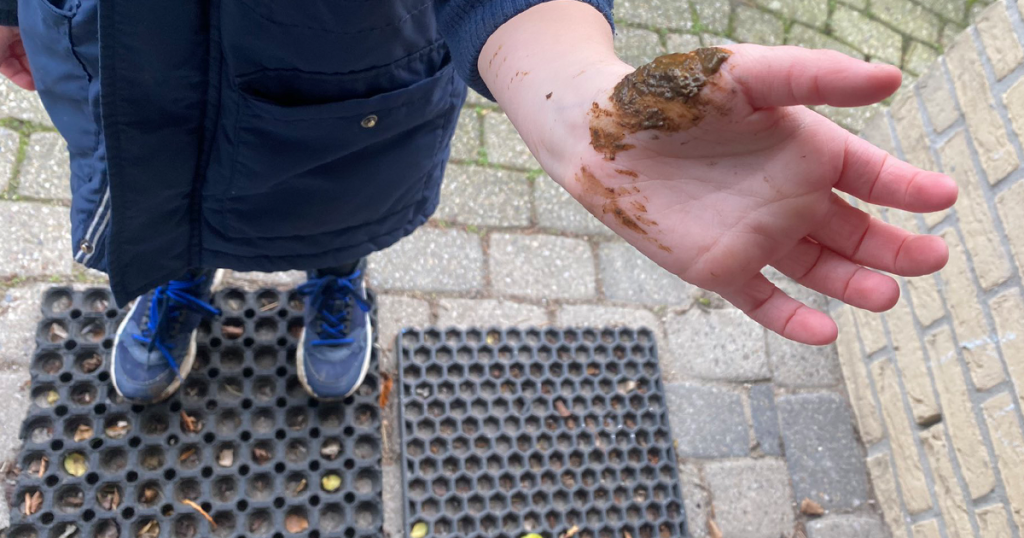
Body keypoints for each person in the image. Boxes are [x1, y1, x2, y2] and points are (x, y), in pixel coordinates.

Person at [0, 0, 956, 404]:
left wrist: (577, 98)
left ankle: (337, 282)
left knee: (339, 212)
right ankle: (175, 282)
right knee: (166, 208)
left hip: (349, 95)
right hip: (114, 82)